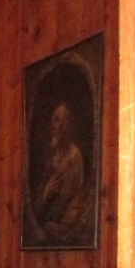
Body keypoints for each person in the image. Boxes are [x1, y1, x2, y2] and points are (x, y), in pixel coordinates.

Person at [30, 101, 87, 241]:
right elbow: (33, 209)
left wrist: (61, 228)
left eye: (59, 120)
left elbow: (79, 201)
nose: (54, 126)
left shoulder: (74, 157)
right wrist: (44, 195)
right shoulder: (50, 157)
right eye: (53, 120)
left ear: (67, 125)